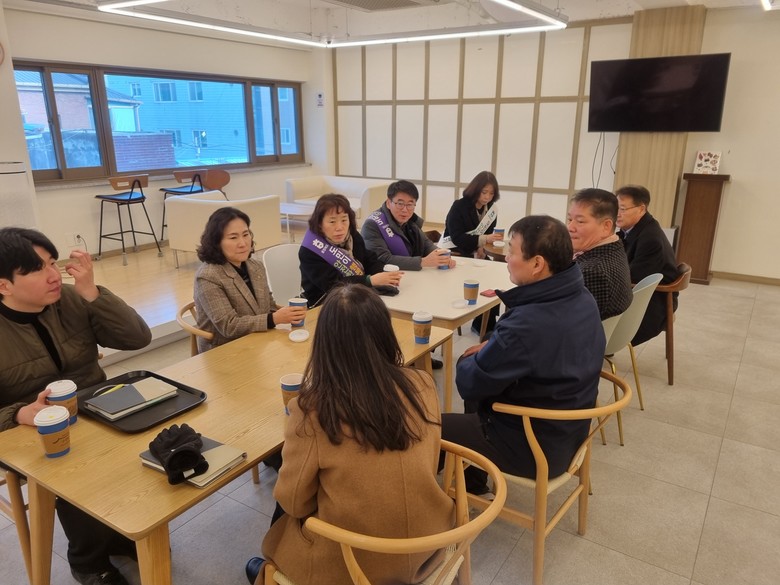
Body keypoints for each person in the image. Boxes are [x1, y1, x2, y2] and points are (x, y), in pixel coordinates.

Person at [249, 283, 454, 585]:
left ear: (325, 343)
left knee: (285, 517)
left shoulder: (312, 410)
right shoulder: (421, 383)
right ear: (385, 333)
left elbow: (294, 504)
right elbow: (428, 460)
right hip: (430, 542)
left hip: (356, 564)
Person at [0, 227, 152, 585]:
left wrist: (92, 294)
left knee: (141, 437)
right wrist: (19, 413)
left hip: (94, 408)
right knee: (71, 467)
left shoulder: (70, 299)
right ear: (4, 285)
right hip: (23, 430)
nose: (54, 275)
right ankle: (88, 560)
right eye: (36, 269)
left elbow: (138, 337)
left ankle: (117, 531)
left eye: (53, 263)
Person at [441, 216, 605, 495]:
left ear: (537, 264)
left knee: (422, 427)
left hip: (533, 446)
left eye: (512, 251)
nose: (506, 257)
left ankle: (429, 503)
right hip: (569, 431)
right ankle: (472, 484)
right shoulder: (581, 297)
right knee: (483, 370)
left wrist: (477, 357)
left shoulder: (529, 323)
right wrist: (493, 346)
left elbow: (468, 384)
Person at [193, 207, 306, 353]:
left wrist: (289, 313)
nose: (243, 243)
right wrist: (274, 319)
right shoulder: (208, 276)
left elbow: (268, 306)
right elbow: (228, 326)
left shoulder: (255, 266)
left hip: (259, 341)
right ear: (216, 242)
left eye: (246, 234)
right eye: (233, 238)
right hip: (224, 350)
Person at [299, 193, 403, 308]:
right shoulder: (310, 250)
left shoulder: (352, 235)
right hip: (325, 304)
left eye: (344, 220)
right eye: (332, 222)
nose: (340, 227)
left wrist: (384, 274)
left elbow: (368, 259)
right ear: (319, 224)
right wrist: (370, 280)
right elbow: (333, 285)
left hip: (358, 297)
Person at [615, 185, 680, 345]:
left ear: (641, 208)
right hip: (645, 294)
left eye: (622, 209)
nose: (617, 213)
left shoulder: (650, 238)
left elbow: (633, 278)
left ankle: (598, 348)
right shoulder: (636, 228)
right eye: (615, 207)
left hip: (653, 303)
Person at [567, 188, 632, 320]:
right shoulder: (614, 248)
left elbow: (563, 320)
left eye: (580, 221)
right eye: (569, 219)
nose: (570, 227)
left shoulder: (592, 272)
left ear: (606, 226)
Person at [361, 180, 454, 270]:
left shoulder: (411, 221)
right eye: (400, 204)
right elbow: (382, 259)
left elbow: (426, 245)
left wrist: (442, 256)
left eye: (410, 204)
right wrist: (423, 262)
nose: (405, 210)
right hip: (388, 276)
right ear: (388, 203)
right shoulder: (372, 225)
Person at [440, 170, 503, 259]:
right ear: (476, 190)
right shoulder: (459, 206)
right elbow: (457, 238)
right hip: (457, 251)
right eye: (484, 192)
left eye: (491, 193)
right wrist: (485, 239)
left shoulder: (491, 209)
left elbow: (488, 233)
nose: (487, 197)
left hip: (477, 251)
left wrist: (482, 247)